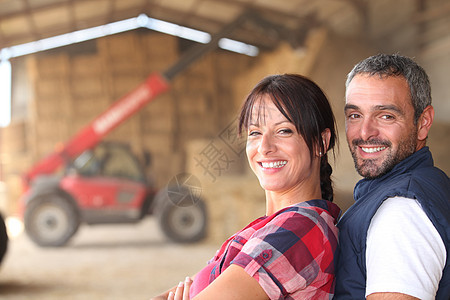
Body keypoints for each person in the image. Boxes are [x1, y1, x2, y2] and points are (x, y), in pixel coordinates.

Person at [151, 74, 341, 300]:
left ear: (321, 142)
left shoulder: (299, 229)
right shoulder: (268, 227)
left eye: (284, 130)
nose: (264, 147)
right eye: (255, 133)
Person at [334, 53, 450, 299]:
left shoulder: (401, 212)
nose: (365, 132)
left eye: (386, 116)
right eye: (355, 115)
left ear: (423, 122)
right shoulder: (428, 183)